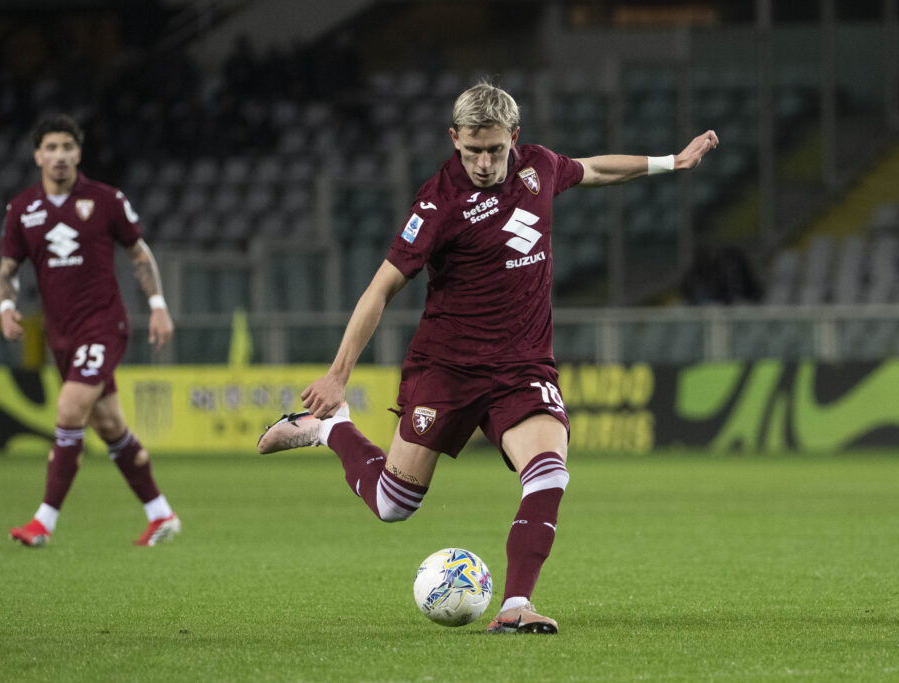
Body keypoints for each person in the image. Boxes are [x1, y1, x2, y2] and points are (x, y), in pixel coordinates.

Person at [258, 82, 718, 633]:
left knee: (549, 474)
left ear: (514, 138)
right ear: (454, 138)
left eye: (494, 150)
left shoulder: (539, 167)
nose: (482, 163)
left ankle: (516, 605)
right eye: (472, 150)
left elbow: (595, 169)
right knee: (393, 504)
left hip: (523, 367)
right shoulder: (437, 204)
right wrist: (338, 376)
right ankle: (331, 428)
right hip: (447, 368)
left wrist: (672, 161)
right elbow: (380, 289)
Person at [0, 113, 180, 547]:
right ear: (38, 155)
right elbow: (7, 269)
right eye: (51, 147)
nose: (60, 155)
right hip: (61, 334)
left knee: (69, 409)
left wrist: (158, 307)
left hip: (104, 324)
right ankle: (162, 514)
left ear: (79, 153)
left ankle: (43, 523)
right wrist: (6, 307)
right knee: (110, 424)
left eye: (67, 147)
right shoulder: (22, 209)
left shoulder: (106, 200)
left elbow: (139, 254)